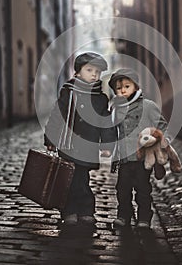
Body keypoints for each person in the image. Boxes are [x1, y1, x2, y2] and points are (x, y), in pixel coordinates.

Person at [44, 52, 116, 225]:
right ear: (77, 72)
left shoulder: (100, 98)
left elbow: (105, 123)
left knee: (81, 179)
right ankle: (69, 211)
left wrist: (107, 145)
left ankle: (85, 210)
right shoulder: (68, 93)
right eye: (89, 70)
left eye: (97, 72)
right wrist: (51, 140)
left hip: (87, 147)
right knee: (69, 179)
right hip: (68, 145)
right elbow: (57, 117)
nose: (94, 74)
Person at [108, 68, 171, 228]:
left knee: (143, 190)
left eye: (126, 86)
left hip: (142, 159)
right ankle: (123, 216)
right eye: (118, 88)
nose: (122, 90)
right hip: (124, 159)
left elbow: (162, 125)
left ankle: (144, 217)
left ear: (135, 87)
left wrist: (161, 141)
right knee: (122, 190)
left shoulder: (148, 106)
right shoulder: (116, 110)